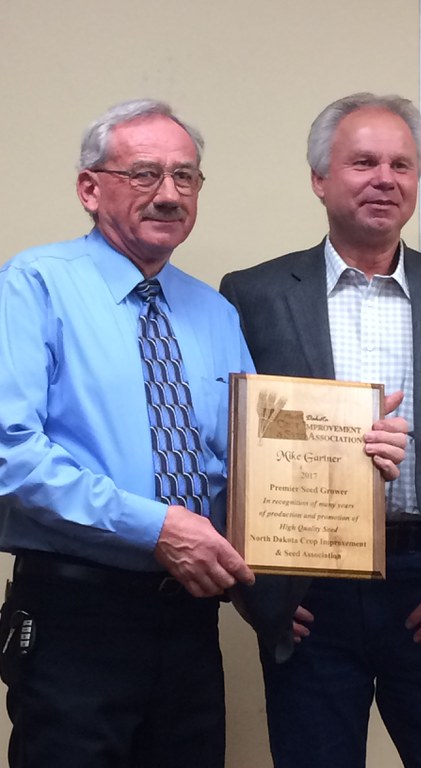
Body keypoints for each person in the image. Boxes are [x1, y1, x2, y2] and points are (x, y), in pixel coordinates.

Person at [220, 92, 421, 768]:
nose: (385, 179)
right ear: (320, 179)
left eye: (402, 165)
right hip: (308, 591)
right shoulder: (252, 295)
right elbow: (223, 448)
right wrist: (253, 589)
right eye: (363, 162)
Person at [0, 99, 256, 768]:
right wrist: (157, 528)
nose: (169, 194)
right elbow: (11, 453)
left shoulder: (215, 312)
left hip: (190, 620)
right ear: (91, 188)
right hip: (76, 615)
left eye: (186, 176)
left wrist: (348, 456)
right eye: (144, 174)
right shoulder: (34, 285)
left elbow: (251, 463)